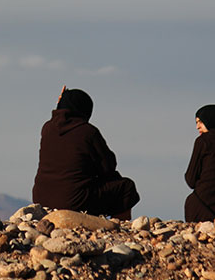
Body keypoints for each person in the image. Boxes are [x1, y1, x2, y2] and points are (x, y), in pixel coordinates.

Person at [32, 87, 140, 219]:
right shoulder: (87, 132)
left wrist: (61, 101)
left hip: (42, 199)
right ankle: (120, 226)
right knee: (125, 187)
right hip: (73, 200)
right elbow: (108, 166)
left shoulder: (47, 128)